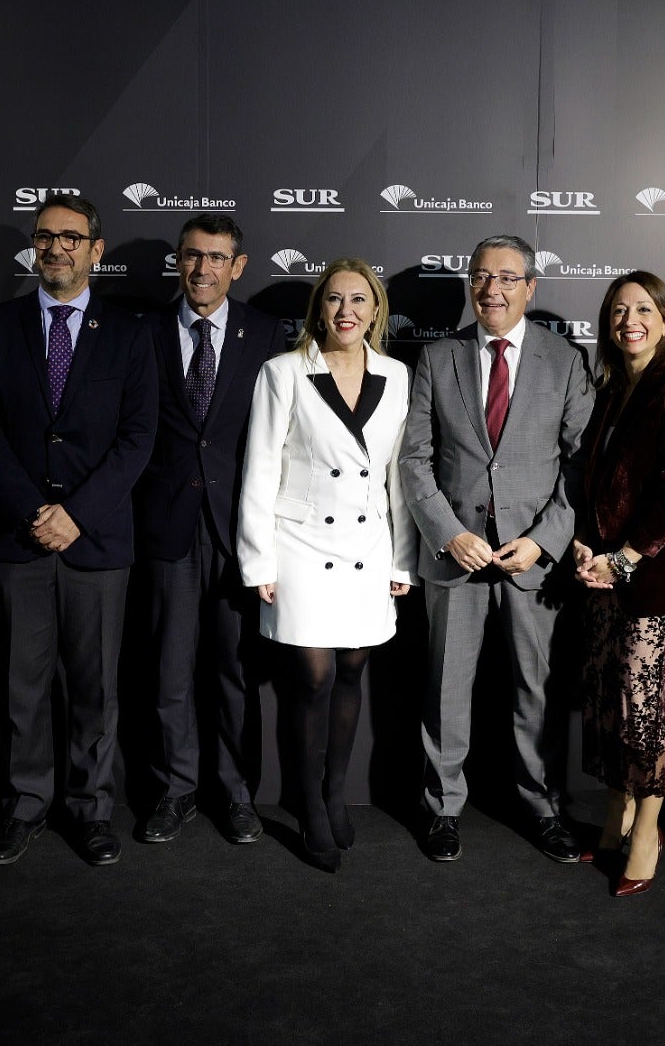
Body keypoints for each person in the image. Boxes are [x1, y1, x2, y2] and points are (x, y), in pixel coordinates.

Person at [0, 194, 157, 867]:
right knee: (19, 687)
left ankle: (91, 809)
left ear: (95, 249)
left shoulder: (130, 333)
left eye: (71, 237)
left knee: (96, 690)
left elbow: (138, 437)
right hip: (16, 539)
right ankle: (24, 806)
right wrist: (33, 511)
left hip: (96, 543)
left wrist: (77, 513)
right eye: (45, 236)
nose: (56, 248)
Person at [399, 235, 592, 864]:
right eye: (481, 277)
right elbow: (415, 458)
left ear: (530, 287)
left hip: (532, 562)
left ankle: (543, 807)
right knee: (445, 690)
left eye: (507, 278)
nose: (492, 289)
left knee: (537, 692)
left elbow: (581, 465)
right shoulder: (438, 358)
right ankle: (442, 809)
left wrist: (542, 542)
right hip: (456, 556)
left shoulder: (565, 361)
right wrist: (448, 533)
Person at [238, 258, 415, 871]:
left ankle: (336, 793)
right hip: (301, 544)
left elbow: (399, 478)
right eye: (335, 299)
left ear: (375, 310)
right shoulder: (284, 372)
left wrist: (403, 561)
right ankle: (309, 803)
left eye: (359, 299)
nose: (346, 311)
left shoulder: (396, 375)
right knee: (313, 676)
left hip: (368, 547)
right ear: (319, 308)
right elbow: (261, 467)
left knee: (353, 669)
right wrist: (258, 560)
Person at [133, 215, 287, 846]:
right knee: (168, 672)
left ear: (238, 266)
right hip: (165, 525)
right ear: (179, 261)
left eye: (217, 258)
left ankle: (237, 794)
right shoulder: (142, 332)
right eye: (193, 256)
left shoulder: (267, 334)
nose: (203, 269)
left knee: (235, 673)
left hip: (238, 529)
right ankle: (175, 791)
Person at [575, 271, 665, 896]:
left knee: (641, 703)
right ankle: (616, 813)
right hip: (602, 573)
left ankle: (649, 830)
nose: (630, 320)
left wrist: (625, 558)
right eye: (618, 311)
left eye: (643, 309)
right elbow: (594, 483)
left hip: (656, 576)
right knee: (606, 699)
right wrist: (585, 542)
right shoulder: (611, 389)